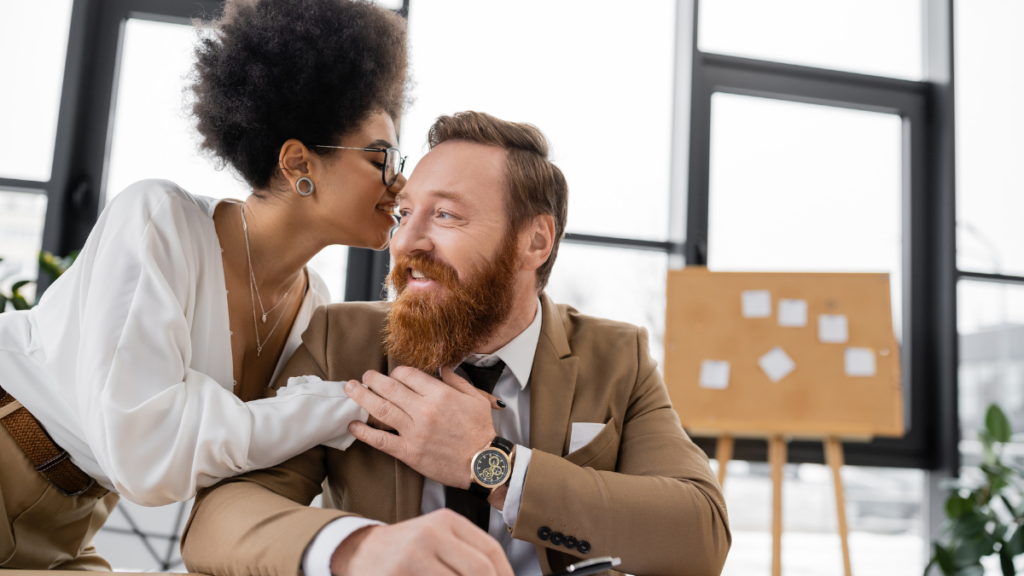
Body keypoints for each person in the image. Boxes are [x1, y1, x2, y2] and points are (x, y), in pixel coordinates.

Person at [180, 112, 732, 576]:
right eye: (403, 214)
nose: (406, 242)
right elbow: (217, 519)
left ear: (534, 241)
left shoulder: (619, 358)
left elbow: (700, 533)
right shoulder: (339, 340)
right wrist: (359, 548)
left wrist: (491, 464)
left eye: (444, 215)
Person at [0, 0, 414, 569]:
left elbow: (235, 455)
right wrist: (341, 405)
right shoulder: (158, 221)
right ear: (299, 163)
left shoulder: (310, 302)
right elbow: (147, 456)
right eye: (383, 157)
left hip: (74, 511)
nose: (402, 182)